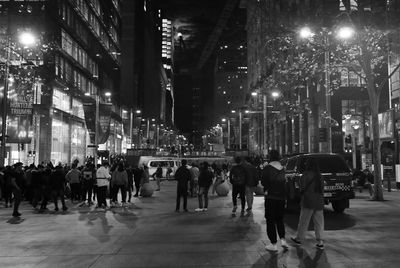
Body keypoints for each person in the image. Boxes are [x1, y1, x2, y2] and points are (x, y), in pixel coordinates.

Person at [291, 158, 325, 250]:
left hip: (308, 200)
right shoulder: (320, 176)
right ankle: (320, 241)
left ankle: (299, 239)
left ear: (308, 165)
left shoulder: (305, 175)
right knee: (319, 223)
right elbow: (322, 189)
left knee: (304, 221)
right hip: (319, 201)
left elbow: (301, 187)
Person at [262, 150, 288, 251]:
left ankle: (273, 244)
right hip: (281, 198)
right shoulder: (283, 169)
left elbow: (264, 182)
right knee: (280, 219)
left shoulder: (267, 168)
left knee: (270, 220)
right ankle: (283, 240)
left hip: (271, 198)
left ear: (270, 157)